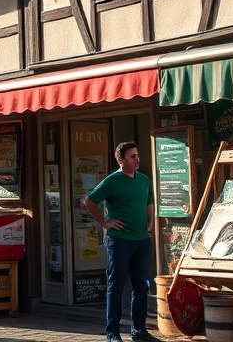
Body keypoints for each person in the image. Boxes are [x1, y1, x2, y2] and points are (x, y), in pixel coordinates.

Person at [82, 141, 156, 342]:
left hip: (142, 241)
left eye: (137, 155)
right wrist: (104, 222)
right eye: (132, 156)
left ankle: (138, 331)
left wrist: (151, 223)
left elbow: (149, 203)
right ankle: (112, 333)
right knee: (116, 285)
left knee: (141, 286)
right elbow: (89, 201)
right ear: (120, 159)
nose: (137, 159)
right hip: (120, 241)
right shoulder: (112, 181)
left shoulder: (144, 180)